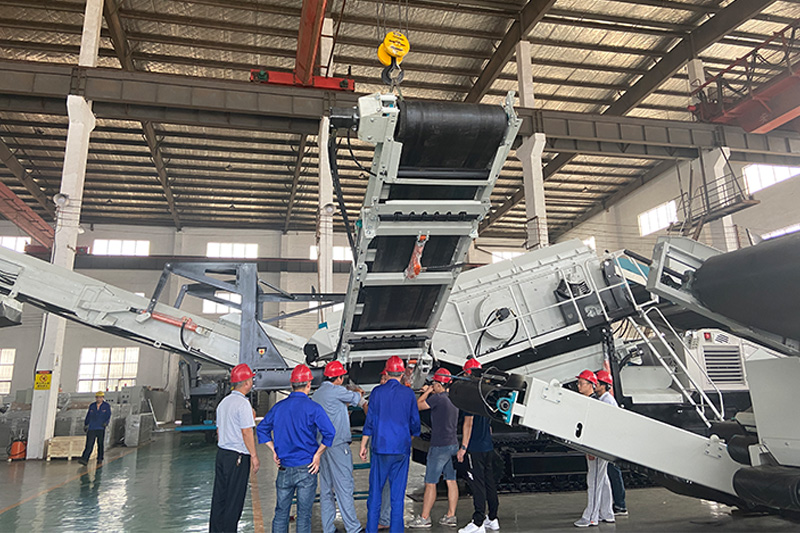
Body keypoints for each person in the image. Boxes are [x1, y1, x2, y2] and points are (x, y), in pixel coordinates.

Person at [258, 364, 335, 533]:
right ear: (309, 384)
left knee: (281, 513)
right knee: (304, 515)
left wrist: (274, 450)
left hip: (284, 467)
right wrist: (318, 455)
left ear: (291, 385)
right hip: (307, 468)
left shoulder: (279, 407)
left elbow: (262, 429)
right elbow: (330, 433)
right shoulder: (314, 408)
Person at [359, 356, 421, 533]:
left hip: (380, 448)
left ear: (386, 372)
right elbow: (415, 422)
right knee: (397, 496)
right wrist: (410, 436)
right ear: (402, 373)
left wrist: (363, 445)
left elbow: (370, 421)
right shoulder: (408, 394)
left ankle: (371, 529)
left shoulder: (377, 392)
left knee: (375, 494)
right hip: (401, 448)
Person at [313, 360, 366, 533]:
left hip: (322, 446)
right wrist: (357, 391)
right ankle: (353, 528)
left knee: (326, 489)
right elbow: (358, 399)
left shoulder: (318, 393)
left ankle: (328, 528)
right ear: (339, 378)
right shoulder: (337, 391)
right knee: (344, 486)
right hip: (337, 445)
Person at [209, 363, 260, 533]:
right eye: (251, 379)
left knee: (220, 498)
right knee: (234, 501)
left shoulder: (223, 403)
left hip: (222, 454)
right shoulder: (242, 404)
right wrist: (254, 456)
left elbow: (219, 430)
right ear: (246, 383)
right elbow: (246, 432)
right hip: (237, 457)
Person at [409, 368, 459, 528]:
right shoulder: (453, 398)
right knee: (451, 480)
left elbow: (418, 405)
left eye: (434, 384)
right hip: (453, 444)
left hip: (439, 446)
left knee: (430, 482)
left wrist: (427, 391)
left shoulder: (438, 398)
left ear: (438, 384)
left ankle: (424, 517)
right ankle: (451, 515)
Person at [456, 358, 499, 533]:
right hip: (487, 446)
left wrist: (463, 448)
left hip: (475, 447)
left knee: (477, 484)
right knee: (489, 483)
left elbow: (468, 423)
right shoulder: (487, 392)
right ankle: (493, 518)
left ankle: (478, 522)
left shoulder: (470, 395)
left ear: (468, 374)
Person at [573, 370, 614, 528]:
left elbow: (595, 428)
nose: (578, 386)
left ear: (591, 384)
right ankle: (607, 513)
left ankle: (591, 517)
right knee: (602, 480)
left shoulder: (594, 403)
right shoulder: (594, 400)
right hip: (601, 446)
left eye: (581, 383)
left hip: (597, 448)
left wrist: (591, 449)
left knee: (594, 481)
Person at [596, 369, 627, 517]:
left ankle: (620, 505)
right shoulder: (604, 399)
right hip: (609, 442)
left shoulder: (607, 401)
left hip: (610, 443)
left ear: (604, 386)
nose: (595, 385)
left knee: (613, 473)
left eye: (597, 383)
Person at [78, 390, 111, 466]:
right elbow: (88, 415)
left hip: (100, 428)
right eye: (97, 397)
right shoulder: (92, 406)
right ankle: (84, 459)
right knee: (89, 444)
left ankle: (100, 458)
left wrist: (106, 423)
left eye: (100, 397)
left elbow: (108, 415)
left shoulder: (106, 406)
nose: (98, 399)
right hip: (92, 427)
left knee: (100, 444)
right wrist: (86, 424)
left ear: (102, 398)